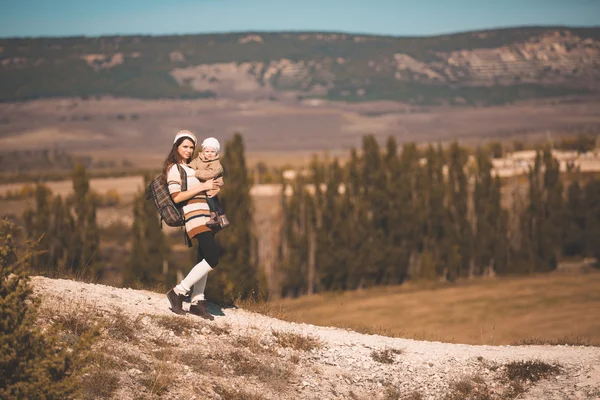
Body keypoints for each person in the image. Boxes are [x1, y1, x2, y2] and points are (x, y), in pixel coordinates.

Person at [164, 130, 220, 320]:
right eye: (184, 146)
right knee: (213, 258)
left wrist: (213, 188)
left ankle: (197, 301)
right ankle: (178, 292)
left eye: (191, 147)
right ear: (176, 147)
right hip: (194, 217)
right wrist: (202, 187)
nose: (188, 150)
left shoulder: (192, 167)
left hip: (206, 216)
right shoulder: (174, 169)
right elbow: (177, 196)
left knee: (203, 257)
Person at [189, 137, 230, 229]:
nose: (210, 154)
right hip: (205, 184)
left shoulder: (216, 164)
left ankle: (214, 216)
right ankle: (223, 217)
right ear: (203, 151)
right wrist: (188, 169)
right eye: (207, 151)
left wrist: (196, 173)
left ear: (216, 152)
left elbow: (209, 174)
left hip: (212, 184)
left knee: (210, 198)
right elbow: (192, 165)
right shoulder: (199, 159)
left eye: (212, 151)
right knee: (216, 201)